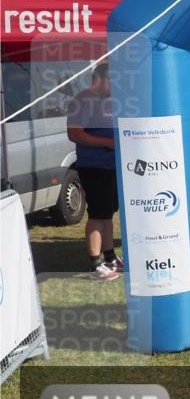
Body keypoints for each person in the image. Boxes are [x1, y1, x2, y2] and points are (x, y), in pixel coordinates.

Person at [66, 63, 122, 280]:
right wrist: (106, 142)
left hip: (111, 166)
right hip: (94, 166)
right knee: (98, 213)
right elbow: (74, 134)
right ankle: (96, 264)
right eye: (113, 80)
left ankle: (110, 257)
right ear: (101, 78)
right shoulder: (82, 100)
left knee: (107, 213)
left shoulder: (109, 101)